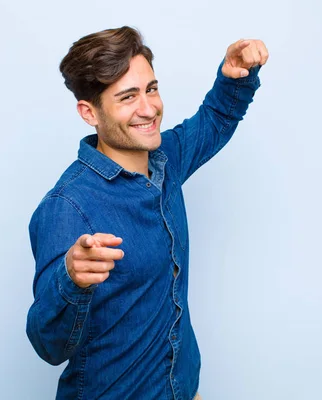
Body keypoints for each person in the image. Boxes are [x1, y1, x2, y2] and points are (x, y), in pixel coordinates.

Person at [26, 26, 268, 400]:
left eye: (151, 89)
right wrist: (70, 279)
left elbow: (216, 119)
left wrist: (235, 75)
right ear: (89, 112)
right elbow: (48, 345)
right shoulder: (67, 206)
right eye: (127, 97)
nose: (149, 108)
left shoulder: (166, 160)